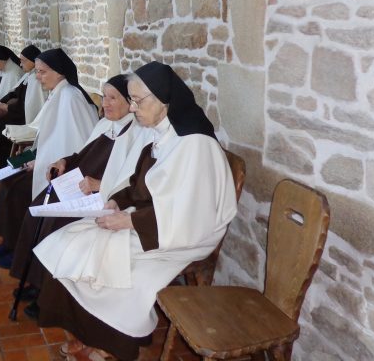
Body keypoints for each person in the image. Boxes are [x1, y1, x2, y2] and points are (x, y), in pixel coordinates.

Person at [34, 62, 238, 361]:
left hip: (183, 232)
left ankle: (111, 344)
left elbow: (190, 212)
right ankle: (86, 334)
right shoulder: (163, 133)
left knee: (109, 266)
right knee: (71, 241)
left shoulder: (194, 145)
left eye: (137, 101)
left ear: (163, 100)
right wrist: (118, 200)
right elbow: (140, 184)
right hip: (156, 219)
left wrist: (130, 221)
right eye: (131, 100)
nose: (132, 108)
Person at [10, 74, 139, 319]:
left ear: (130, 101)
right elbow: (81, 154)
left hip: (101, 200)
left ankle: (48, 297)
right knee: (38, 208)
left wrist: (99, 185)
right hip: (78, 189)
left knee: (56, 224)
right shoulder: (105, 124)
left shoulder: (137, 133)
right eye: (104, 97)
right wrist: (64, 161)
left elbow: (131, 183)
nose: (105, 104)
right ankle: (37, 282)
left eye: (113, 98)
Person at [0, 48, 98, 268]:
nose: (38, 77)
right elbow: (49, 136)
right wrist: (35, 158)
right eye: (37, 71)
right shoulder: (58, 92)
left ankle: (21, 251)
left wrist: (44, 163)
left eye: (42, 72)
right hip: (46, 161)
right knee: (8, 184)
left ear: (59, 72)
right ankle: (11, 242)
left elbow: (79, 143)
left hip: (63, 171)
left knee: (18, 192)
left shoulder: (71, 98)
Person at [0, 44, 46, 173]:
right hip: (17, 112)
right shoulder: (28, 76)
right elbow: (12, 93)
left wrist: (6, 107)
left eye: (23, 61)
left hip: (24, 118)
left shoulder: (36, 80)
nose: (20, 64)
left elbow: (28, 107)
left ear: (33, 61)